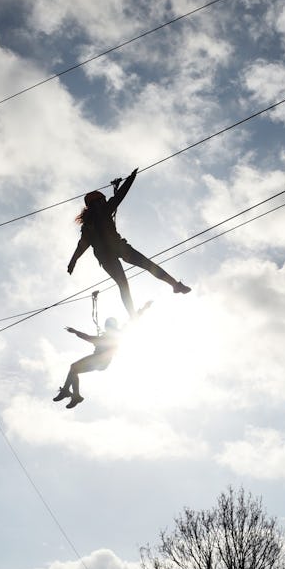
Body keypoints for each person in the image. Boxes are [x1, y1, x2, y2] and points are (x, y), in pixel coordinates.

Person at [66, 168, 190, 317]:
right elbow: (120, 196)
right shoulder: (104, 210)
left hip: (106, 256)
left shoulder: (87, 226)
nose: (105, 201)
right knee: (148, 265)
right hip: (118, 248)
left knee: (123, 286)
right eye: (102, 200)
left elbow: (81, 246)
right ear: (98, 202)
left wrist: (72, 262)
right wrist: (131, 178)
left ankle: (133, 314)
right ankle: (174, 285)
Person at [53, 318, 123, 409]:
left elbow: (88, 337)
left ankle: (67, 391)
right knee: (74, 370)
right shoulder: (110, 336)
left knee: (74, 367)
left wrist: (75, 331)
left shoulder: (112, 336)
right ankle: (76, 396)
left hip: (99, 359)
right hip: (100, 362)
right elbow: (89, 338)